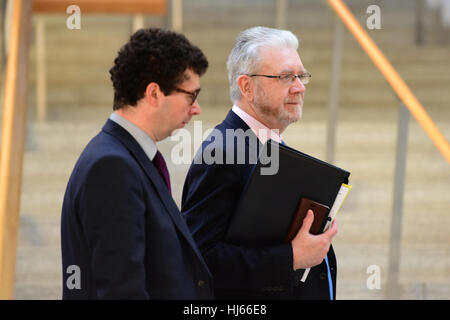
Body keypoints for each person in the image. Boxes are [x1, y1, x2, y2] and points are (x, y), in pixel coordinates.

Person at [181, 26, 338, 300]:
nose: (299, 87)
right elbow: (199, 260)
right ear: (247, 87)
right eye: (286, 77)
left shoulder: (268, 144)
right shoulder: (222, 154)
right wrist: (290, 257)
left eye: (301, 76)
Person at [61, 28, 213, 299]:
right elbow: (121, 290)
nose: (196, 108)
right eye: (191, 95)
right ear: (154, 93)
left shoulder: (127, 155)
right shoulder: (111, 167)